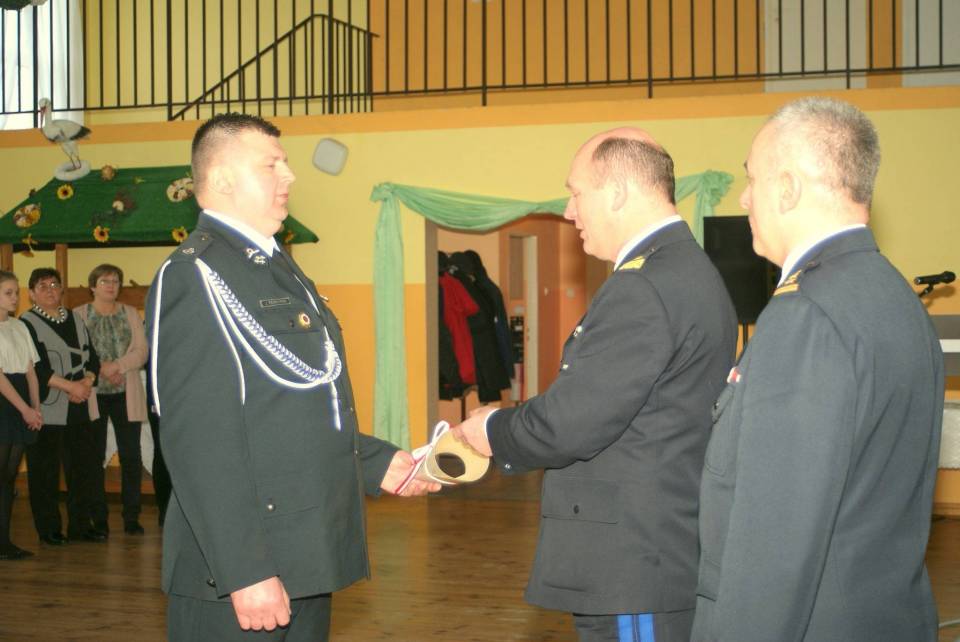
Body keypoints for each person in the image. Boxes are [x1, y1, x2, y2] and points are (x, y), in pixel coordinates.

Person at [146, 112, 439, 641]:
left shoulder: (276, 265)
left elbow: (292, 407)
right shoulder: (194, 274)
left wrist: (377, 462)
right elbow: (199, 440)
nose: (290, 175)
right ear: (223, 179)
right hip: (241, 570)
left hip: (303, 552)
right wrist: (245, 570)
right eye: (271, 165)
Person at [452, 127, 738, 642]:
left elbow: (572, 423)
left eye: (576, 192)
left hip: (634, 562)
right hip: (659, 544)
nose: (569, 211)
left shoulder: (643, 286)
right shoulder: (684, 269)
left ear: (618, 193)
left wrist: (491, 430)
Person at [690, 97, 944, 641]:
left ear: (787, 188)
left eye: (752, 179)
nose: (745, 197)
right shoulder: (895, 296)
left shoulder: (806, 315)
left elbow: (774, 543)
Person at [21, 268, 104, 545]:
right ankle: (48, 529)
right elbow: (36, 368)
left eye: (54, 284)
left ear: (62, 289)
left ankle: (80, 526)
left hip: (79, 405)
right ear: (32, 294)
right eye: (42, 286)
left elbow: (92, 358)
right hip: (47, 407)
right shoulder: (26, 323)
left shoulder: (75, 318)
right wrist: (71, 387)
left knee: (82, 469)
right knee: (44, 472)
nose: (50, 290)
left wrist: (87, 382)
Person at [75, 264, 149, 536]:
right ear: (92, 286)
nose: (111, 285)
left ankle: (131, 517)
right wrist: (101, 370)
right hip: (92, 396)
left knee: (131, 456)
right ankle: (99, 518)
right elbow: (77, 353)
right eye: (104, 281)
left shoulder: (130, 313)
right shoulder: (79, 314)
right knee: (94, 458)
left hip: (125, 393)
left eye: (115, 281)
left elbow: (141, 351)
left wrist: (117, 366)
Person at [0, 271, 43, 560]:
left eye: (16, 292)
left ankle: (4, 541)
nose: (15, 298)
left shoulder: (19, 326)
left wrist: (35, 407)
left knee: (9, 476)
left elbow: (30, 371)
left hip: (21, 401)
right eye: (8, 293)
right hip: (5, 401)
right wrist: (24, 408)